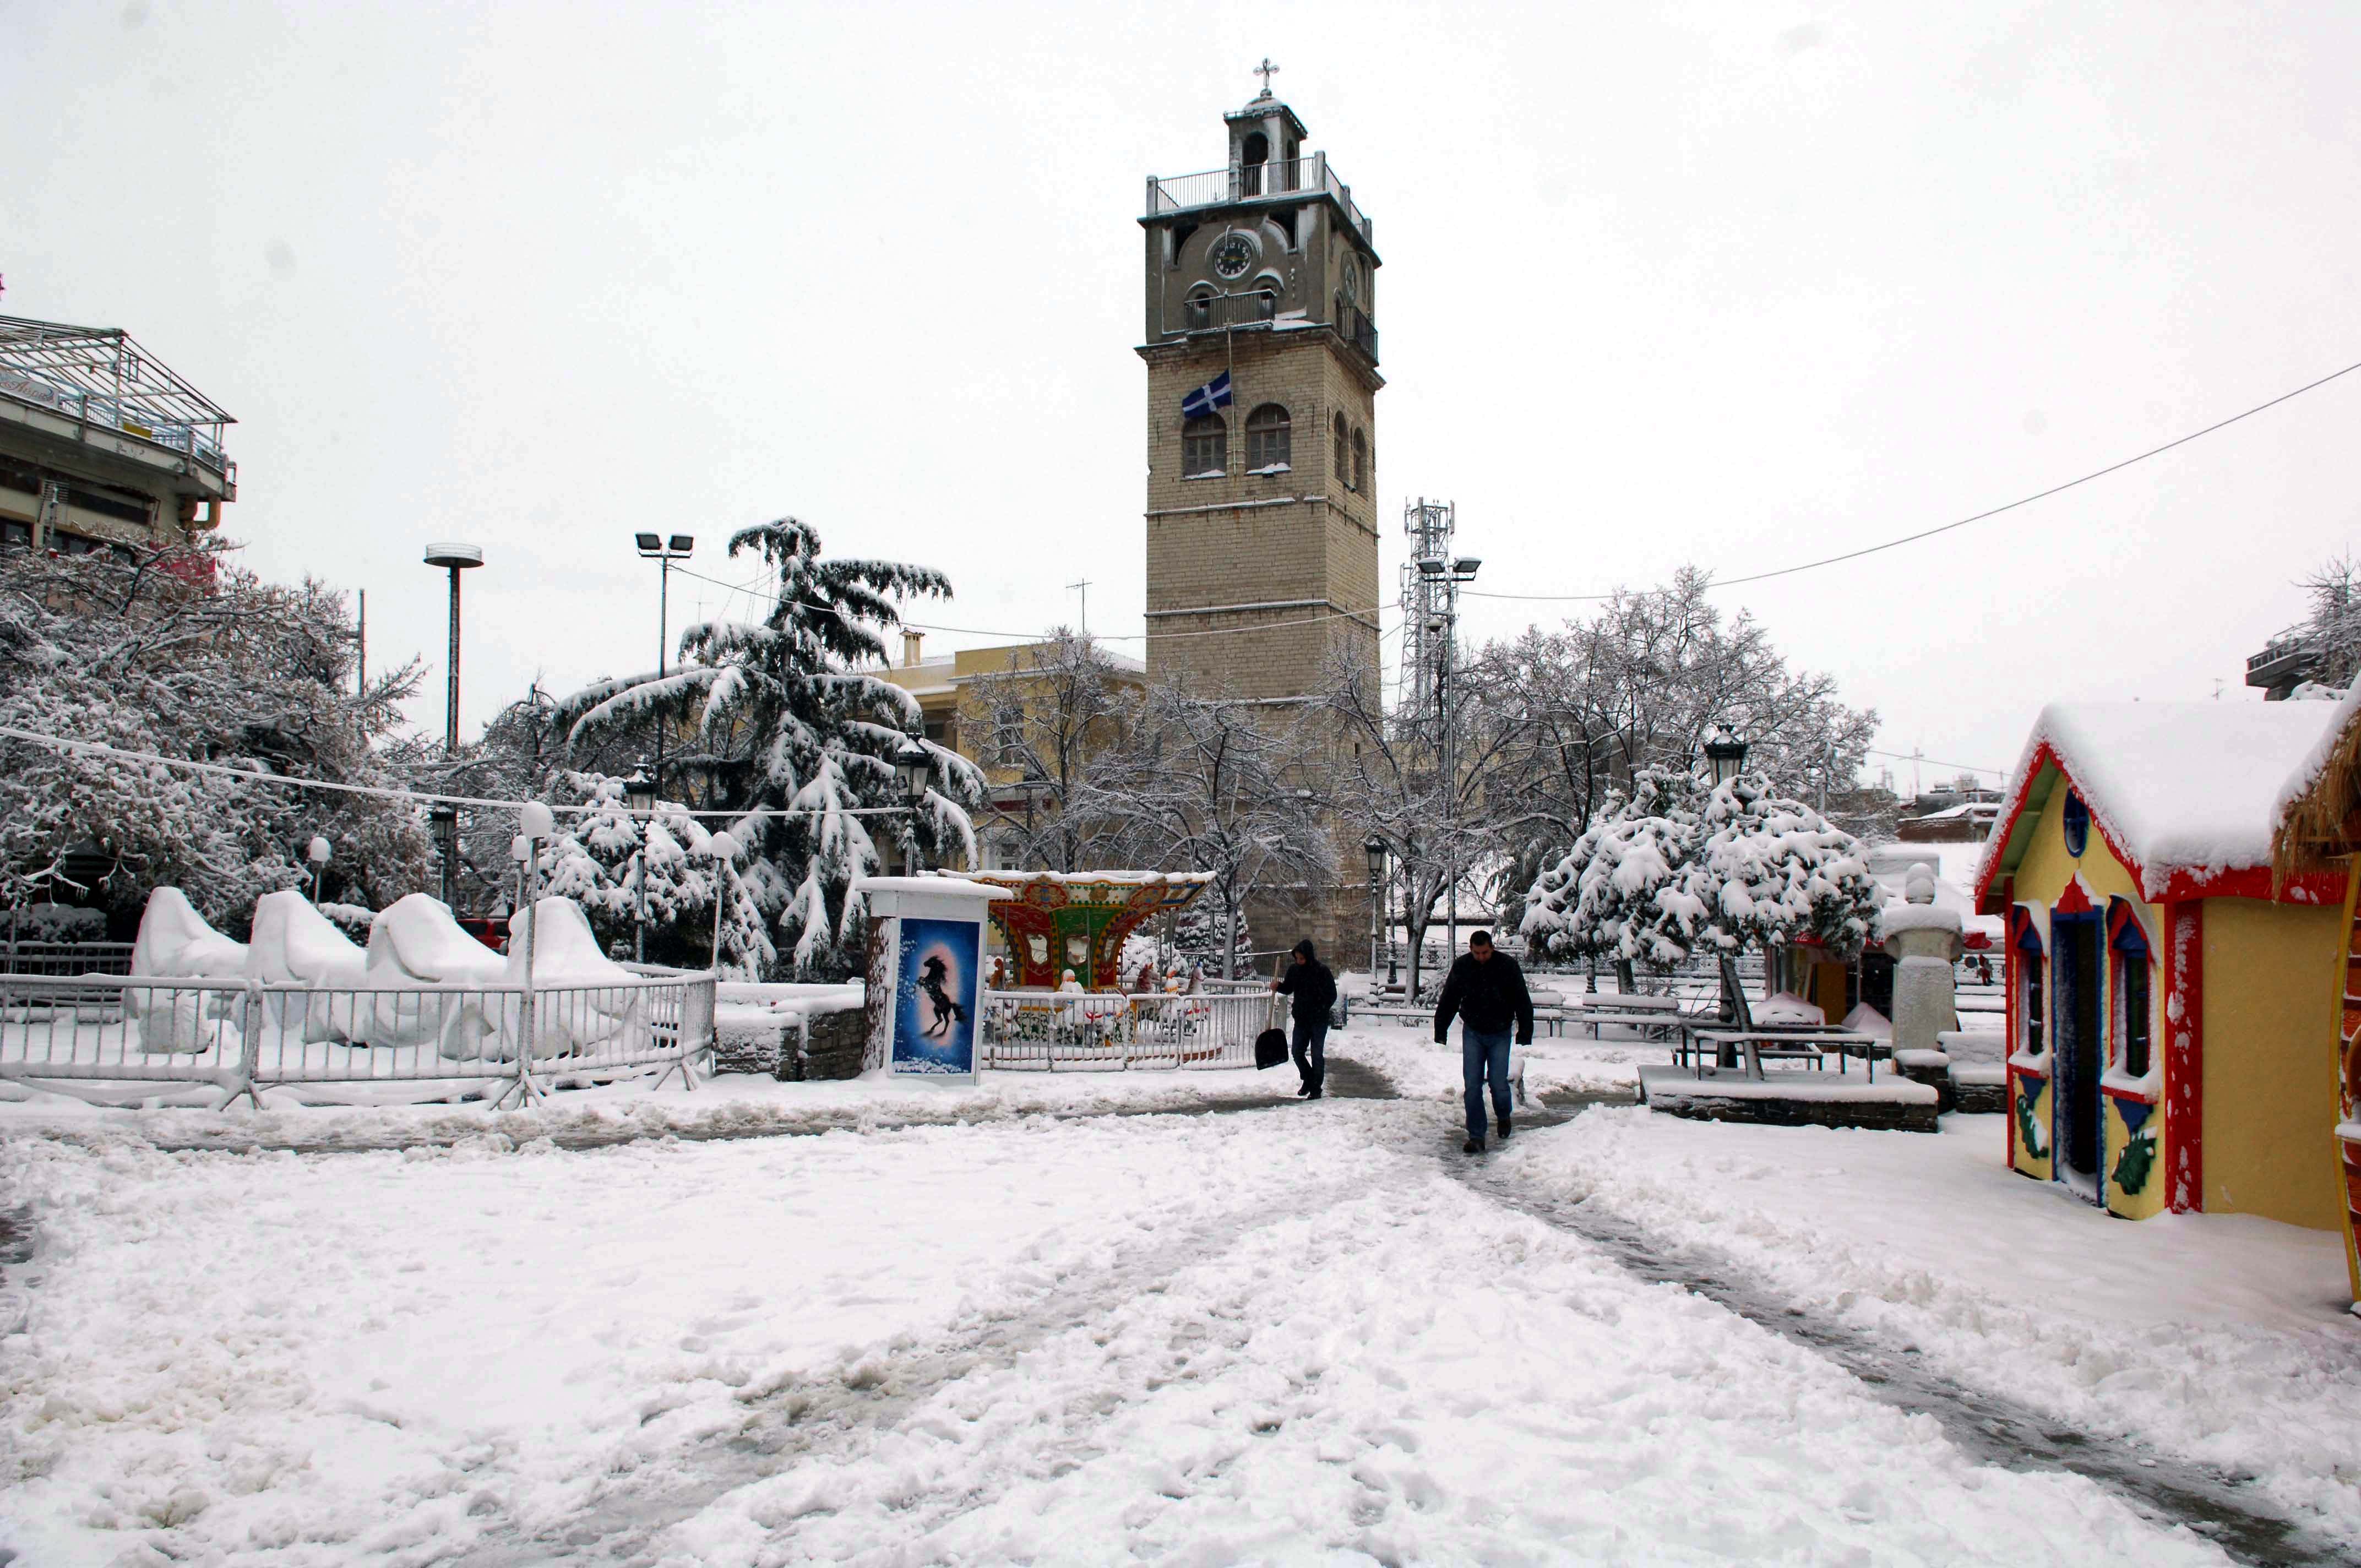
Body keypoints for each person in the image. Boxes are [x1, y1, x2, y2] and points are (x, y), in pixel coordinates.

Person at [1433, 929, 1533, 1153]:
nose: (1481, 957)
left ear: (1492, 948)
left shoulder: (1507, 967)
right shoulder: (1463, 967)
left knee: (1498, 1083)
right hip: (1473, 1032)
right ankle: (1476, 1136)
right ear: (1471, 949)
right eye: (1477, 953)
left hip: (1500, 1032)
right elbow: (1450, 998)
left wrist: (1525, 1032)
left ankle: (1503, 1114)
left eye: (1485, 952)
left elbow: (1521, 999)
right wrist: (1441, 1029)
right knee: (1472, 1086)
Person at [1270, 938, 1339, 1099]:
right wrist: (1278, 986)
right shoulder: (1294, 970)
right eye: (1297, 959)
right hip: (1301, 1020)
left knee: (1316, 1054)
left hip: (1318, 1021)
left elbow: (1332, 995)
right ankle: (1308, 1078)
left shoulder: (1322, 971)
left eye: (1302, 958)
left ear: (1309, 956)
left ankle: (1316, 1089)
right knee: (1296, 1052)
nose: (1299, 961)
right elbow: (1288, 988)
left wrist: (1321, 1009)